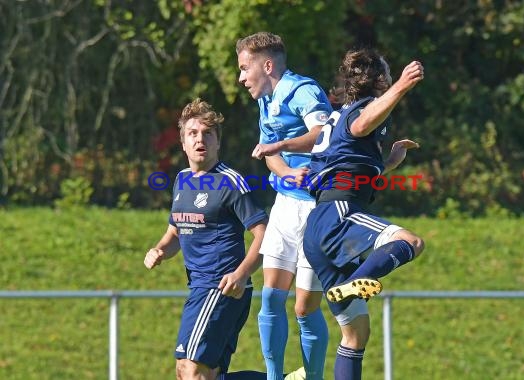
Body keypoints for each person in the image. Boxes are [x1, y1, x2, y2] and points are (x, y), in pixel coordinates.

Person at [302, 48, 426, 380]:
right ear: (381, 79)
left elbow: (340, 163)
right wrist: (401, 86)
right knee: (410, 241)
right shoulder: (358, 111)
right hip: (339, 212)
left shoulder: (336, 116)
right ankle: (357, 282)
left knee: (355, 335)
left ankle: (352, 285)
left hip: (319, 227)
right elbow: (362, 124)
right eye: (387, 73)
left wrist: (387, 164)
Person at [144, 98, 273, 380]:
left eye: (207, 134)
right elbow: (176, 231)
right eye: (193, 133)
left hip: (222, 287)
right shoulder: (181, 180)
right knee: (204, 374)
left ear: (217, 143)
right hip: (200, 289)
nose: (200, 139)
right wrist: (159, 250)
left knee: (190, 371)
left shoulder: (230, 182)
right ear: (183, 143)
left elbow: (265, 233)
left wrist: (241, 274)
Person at [236, 32, 331, 380]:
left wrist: (282, 147)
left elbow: (323, 135)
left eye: (245, 68)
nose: (241, 77)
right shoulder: (265, 100)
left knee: (305, 309)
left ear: (268, 65)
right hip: (284, 208)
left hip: (317, 211)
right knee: (271, 299)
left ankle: (314, 377)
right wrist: (287, 170)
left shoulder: (302, 90)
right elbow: (268, 151)